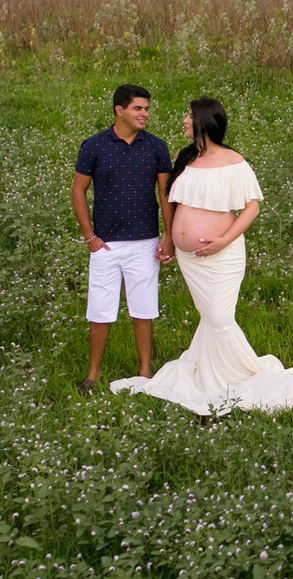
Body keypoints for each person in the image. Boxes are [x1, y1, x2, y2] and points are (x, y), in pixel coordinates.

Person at [110, 97, 293, 415]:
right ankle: (209, 373)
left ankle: (232, 378)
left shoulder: (233, 160)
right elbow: (176, 203)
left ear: (204, 121)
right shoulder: (185, 157)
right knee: (210, 318)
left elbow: (252, 207)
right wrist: (171, 239)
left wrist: (222, 241)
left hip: (222, 256)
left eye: (189, 116)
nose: (184, 120)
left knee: (219, 318)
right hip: (191, 258)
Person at [71, 83, 175, 395]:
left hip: (145, 242)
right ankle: (92, 375)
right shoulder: (94, 146)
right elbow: (78, 190)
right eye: (138, 108)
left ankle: (145, 372)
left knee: (143, 308)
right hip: (105, 244)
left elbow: (165, 193)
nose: (145, 114)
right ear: (120, 110)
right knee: (99, 309)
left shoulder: (156, 147)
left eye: (146, 108)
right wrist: (89, 236)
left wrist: (168, 236)